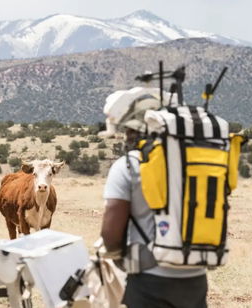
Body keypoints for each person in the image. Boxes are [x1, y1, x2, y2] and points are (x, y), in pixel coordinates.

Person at [99, 89, 208, 308]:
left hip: (149, 280)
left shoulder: (129, 165)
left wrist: (122, 260)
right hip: (196, 277)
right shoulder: (197, 162)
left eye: (128, 130)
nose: (126, 135)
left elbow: (110, 236)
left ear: (135, 129)